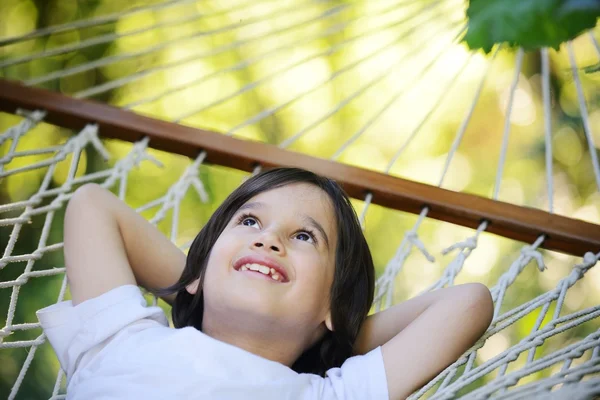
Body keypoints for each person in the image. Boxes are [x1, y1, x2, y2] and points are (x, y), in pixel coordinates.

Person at [38, 167, 493, 399]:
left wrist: (340, 330)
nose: (268, 239)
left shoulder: (330, 393)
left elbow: (469, 302)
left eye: (303, 236)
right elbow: (91, 204)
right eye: (250, 221)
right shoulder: (122, 342)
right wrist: (198, 278)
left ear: (329, 304)